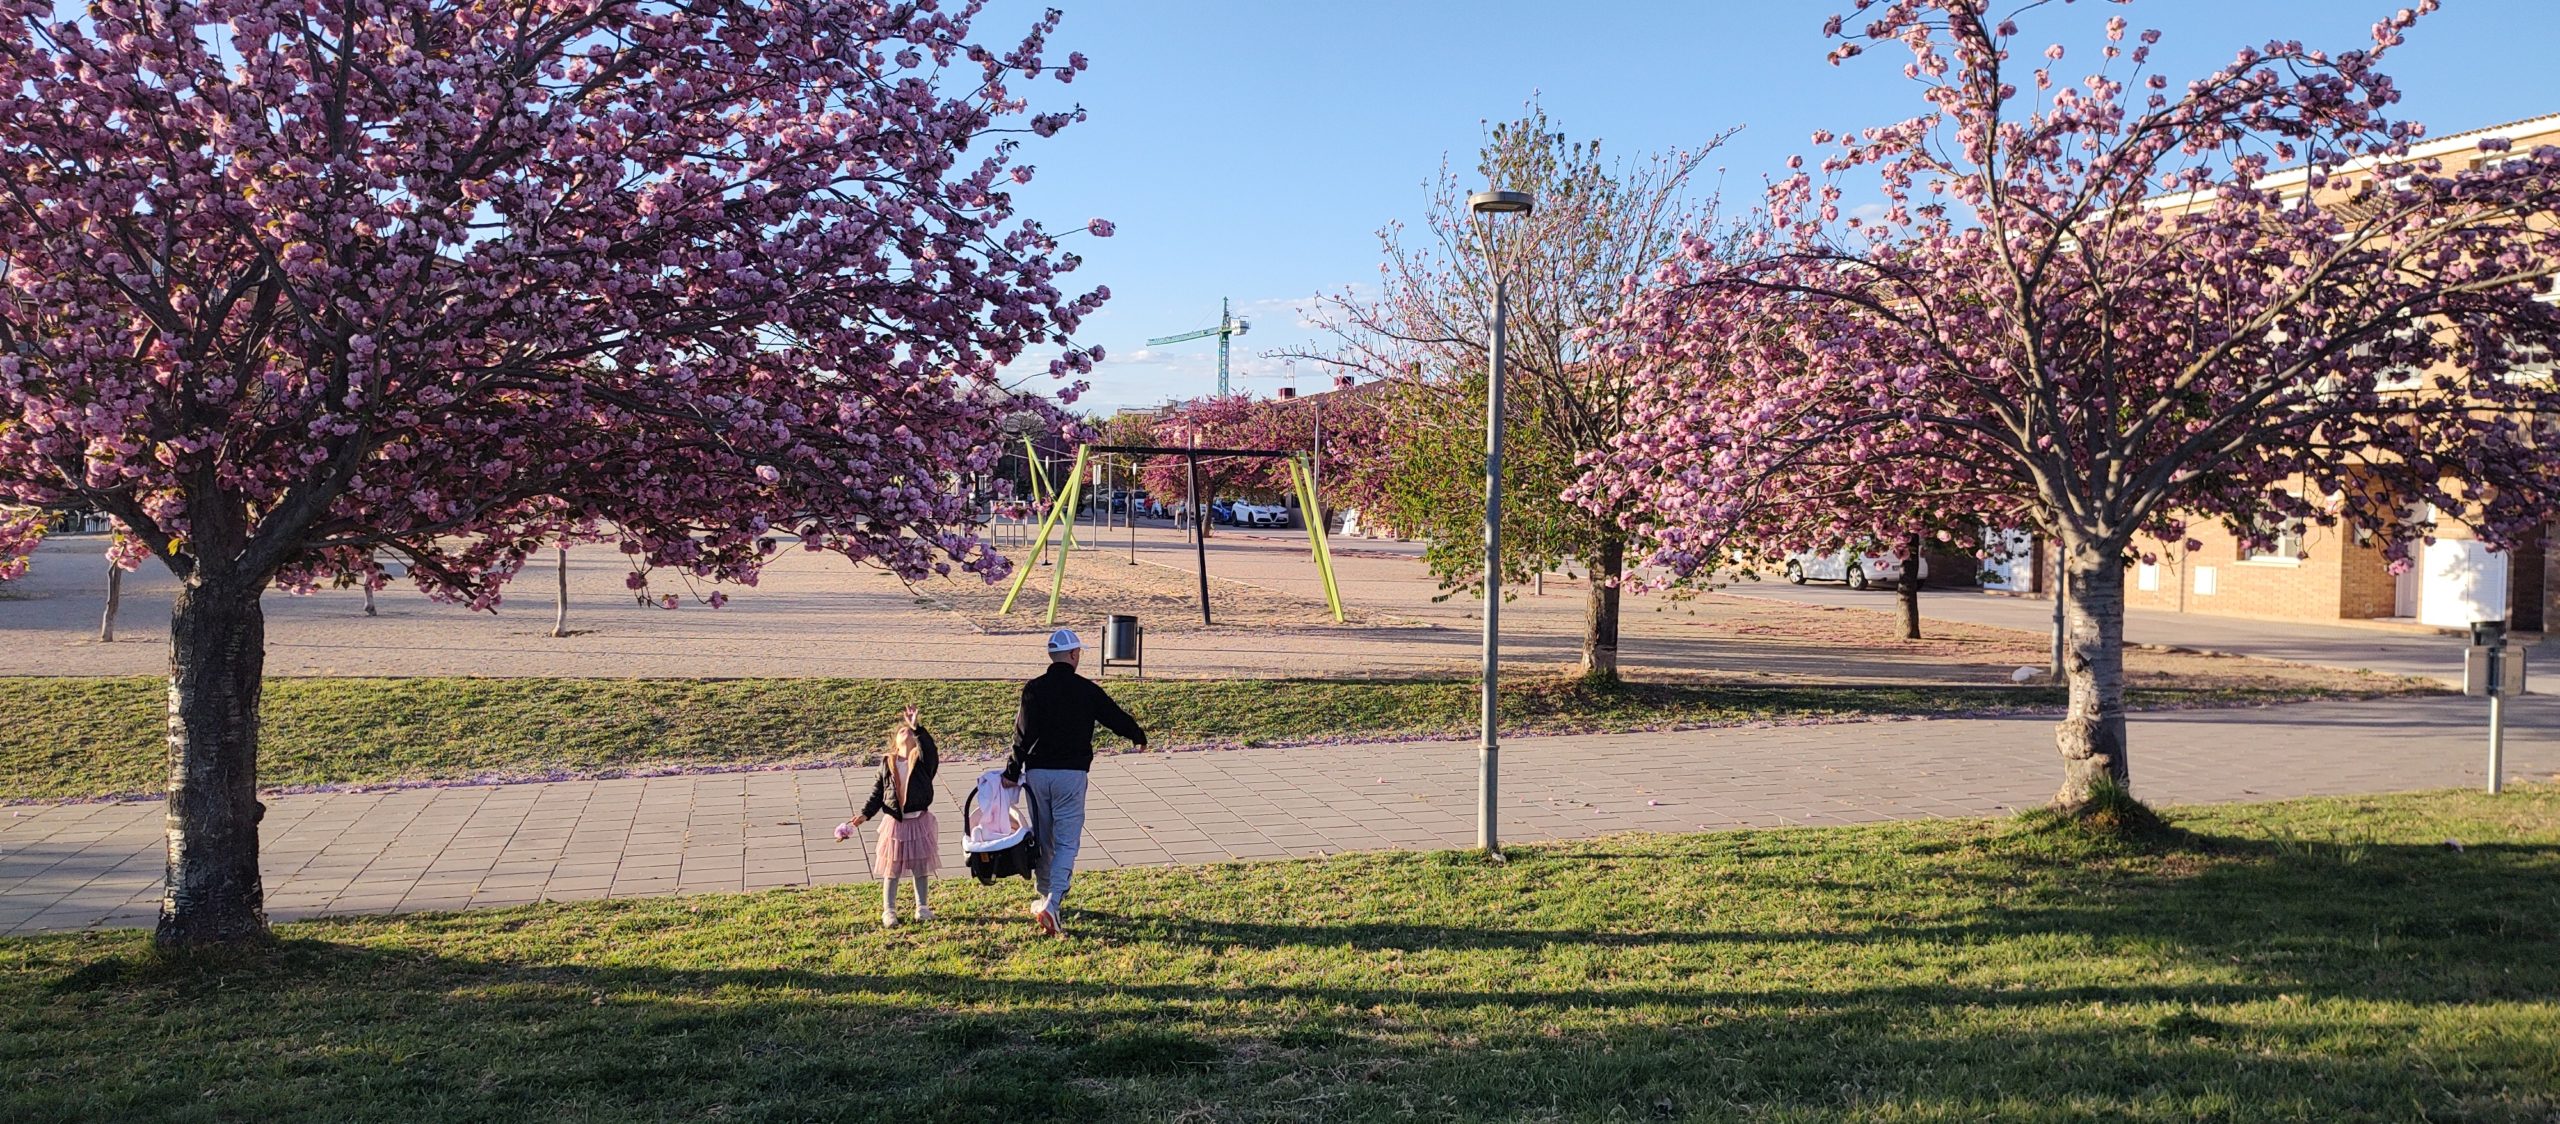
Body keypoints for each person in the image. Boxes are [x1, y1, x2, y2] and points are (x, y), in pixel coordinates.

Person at [1004, 628, 1146, 936]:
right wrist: (1137, 734)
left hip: (1038, 774)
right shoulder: (1086, 690)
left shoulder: (1034, 689)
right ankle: (1053, 902)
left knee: (1044, 839)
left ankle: (1044, 898)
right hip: (1071, 775)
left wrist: (1012, 772)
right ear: (1073, 655)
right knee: (1067, 841)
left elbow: (1021, 735)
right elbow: (1114, 716)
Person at [835, 704, 940, 927]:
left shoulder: (922, 762)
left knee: (921, 868)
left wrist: (917, 727)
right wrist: (864, 815)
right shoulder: (887, 762)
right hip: (895, 823)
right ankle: (889, 911)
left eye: (910, 731)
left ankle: (922, 908)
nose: (906, 731)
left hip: (918, 822)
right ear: (895, 742)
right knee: (891, 870)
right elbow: (878, 793)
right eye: (903, 730)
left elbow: (929, 750)